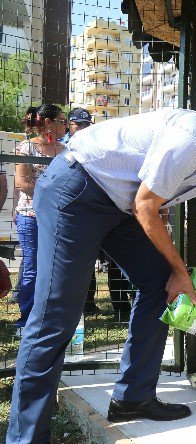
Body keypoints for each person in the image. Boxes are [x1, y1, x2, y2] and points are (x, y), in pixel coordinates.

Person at [6, 106, 196, 444]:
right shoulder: (195, 136)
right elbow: (146, 205)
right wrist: (181, 270)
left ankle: (133, 397)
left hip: (119, 202)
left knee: (161, 286)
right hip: (77, 189)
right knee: (56, 316)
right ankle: (26, 439)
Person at [13, 105, 67, 337]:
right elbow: (22, 183)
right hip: (31, 217)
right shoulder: (26, 147)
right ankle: (26, 319)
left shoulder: (64, 150)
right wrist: (53, 194)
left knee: (55, 267)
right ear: (48, 123)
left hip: (58, 217)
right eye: (62, 121)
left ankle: (50, 317)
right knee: (33, 268)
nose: (65, 125)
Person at [62, 107, 103, 315]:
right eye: (79, 124)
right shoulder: (60, 147)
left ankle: (88, 303)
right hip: (65, 210)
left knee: (88, 258)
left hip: (89, 209)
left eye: (87, 124)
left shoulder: (95, 145)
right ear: (69, 124)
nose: (83, 128)